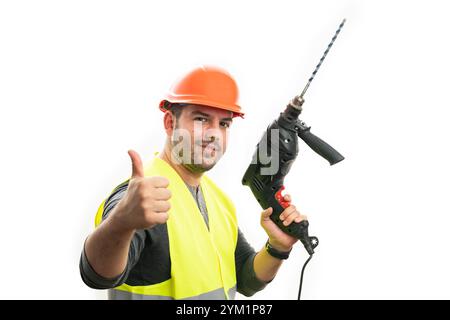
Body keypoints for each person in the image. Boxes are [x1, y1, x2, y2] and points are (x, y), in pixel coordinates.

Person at [79, 65, 307, 300]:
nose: (214, 134)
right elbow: (96, 274)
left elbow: (245, 279)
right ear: (170, 123)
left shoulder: (219, 200)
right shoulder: (140, 197)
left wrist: (278, 247)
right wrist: (121, 222)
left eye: (224, 124)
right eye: (201, 119)